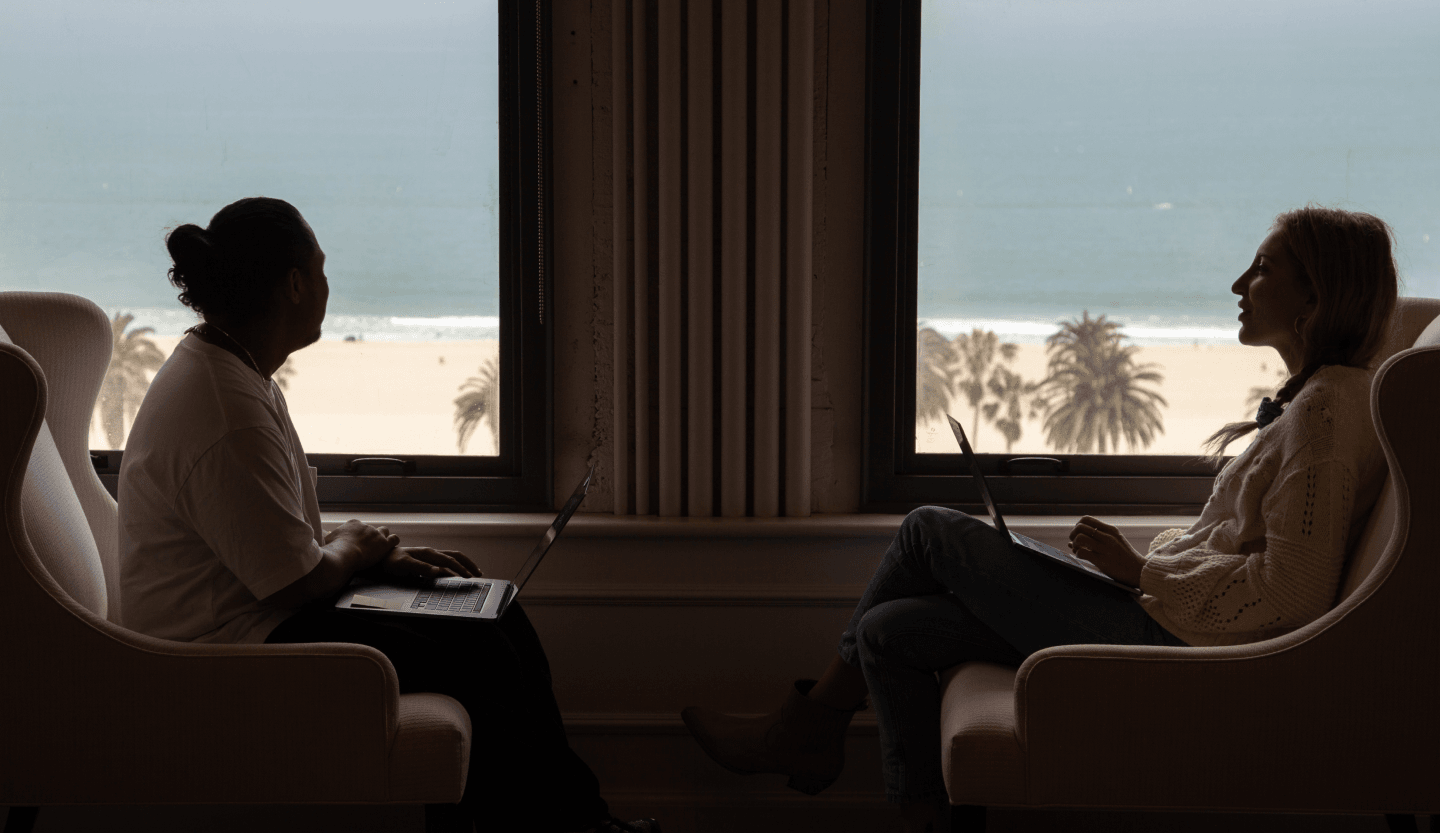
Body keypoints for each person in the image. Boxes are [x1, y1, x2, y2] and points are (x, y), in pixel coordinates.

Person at [680, 206, 1399, 832]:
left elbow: (1291, 595)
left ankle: (806, 728)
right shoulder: (1317, 401)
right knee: (886, 631)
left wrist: (1142, 570)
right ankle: (920, 815)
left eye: (1263, 267)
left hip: (1178, 645)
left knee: (928, 526)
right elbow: (1248, 550)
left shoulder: (1327, 414)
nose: (1240, 285)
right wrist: (1139, 569)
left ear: (1316, 294)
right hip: (1164, 615)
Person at [117, 197, 657, 833]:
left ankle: (580, 821)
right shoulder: (224, 405)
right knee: (478, 659)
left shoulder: (235, 372)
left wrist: (377, 561)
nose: (326, 285)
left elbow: (263, 536)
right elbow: (292, 580)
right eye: (320, 269)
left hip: (259, 612)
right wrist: (353, 548)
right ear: (294, 285)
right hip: (225, 650)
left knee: (495, 608)